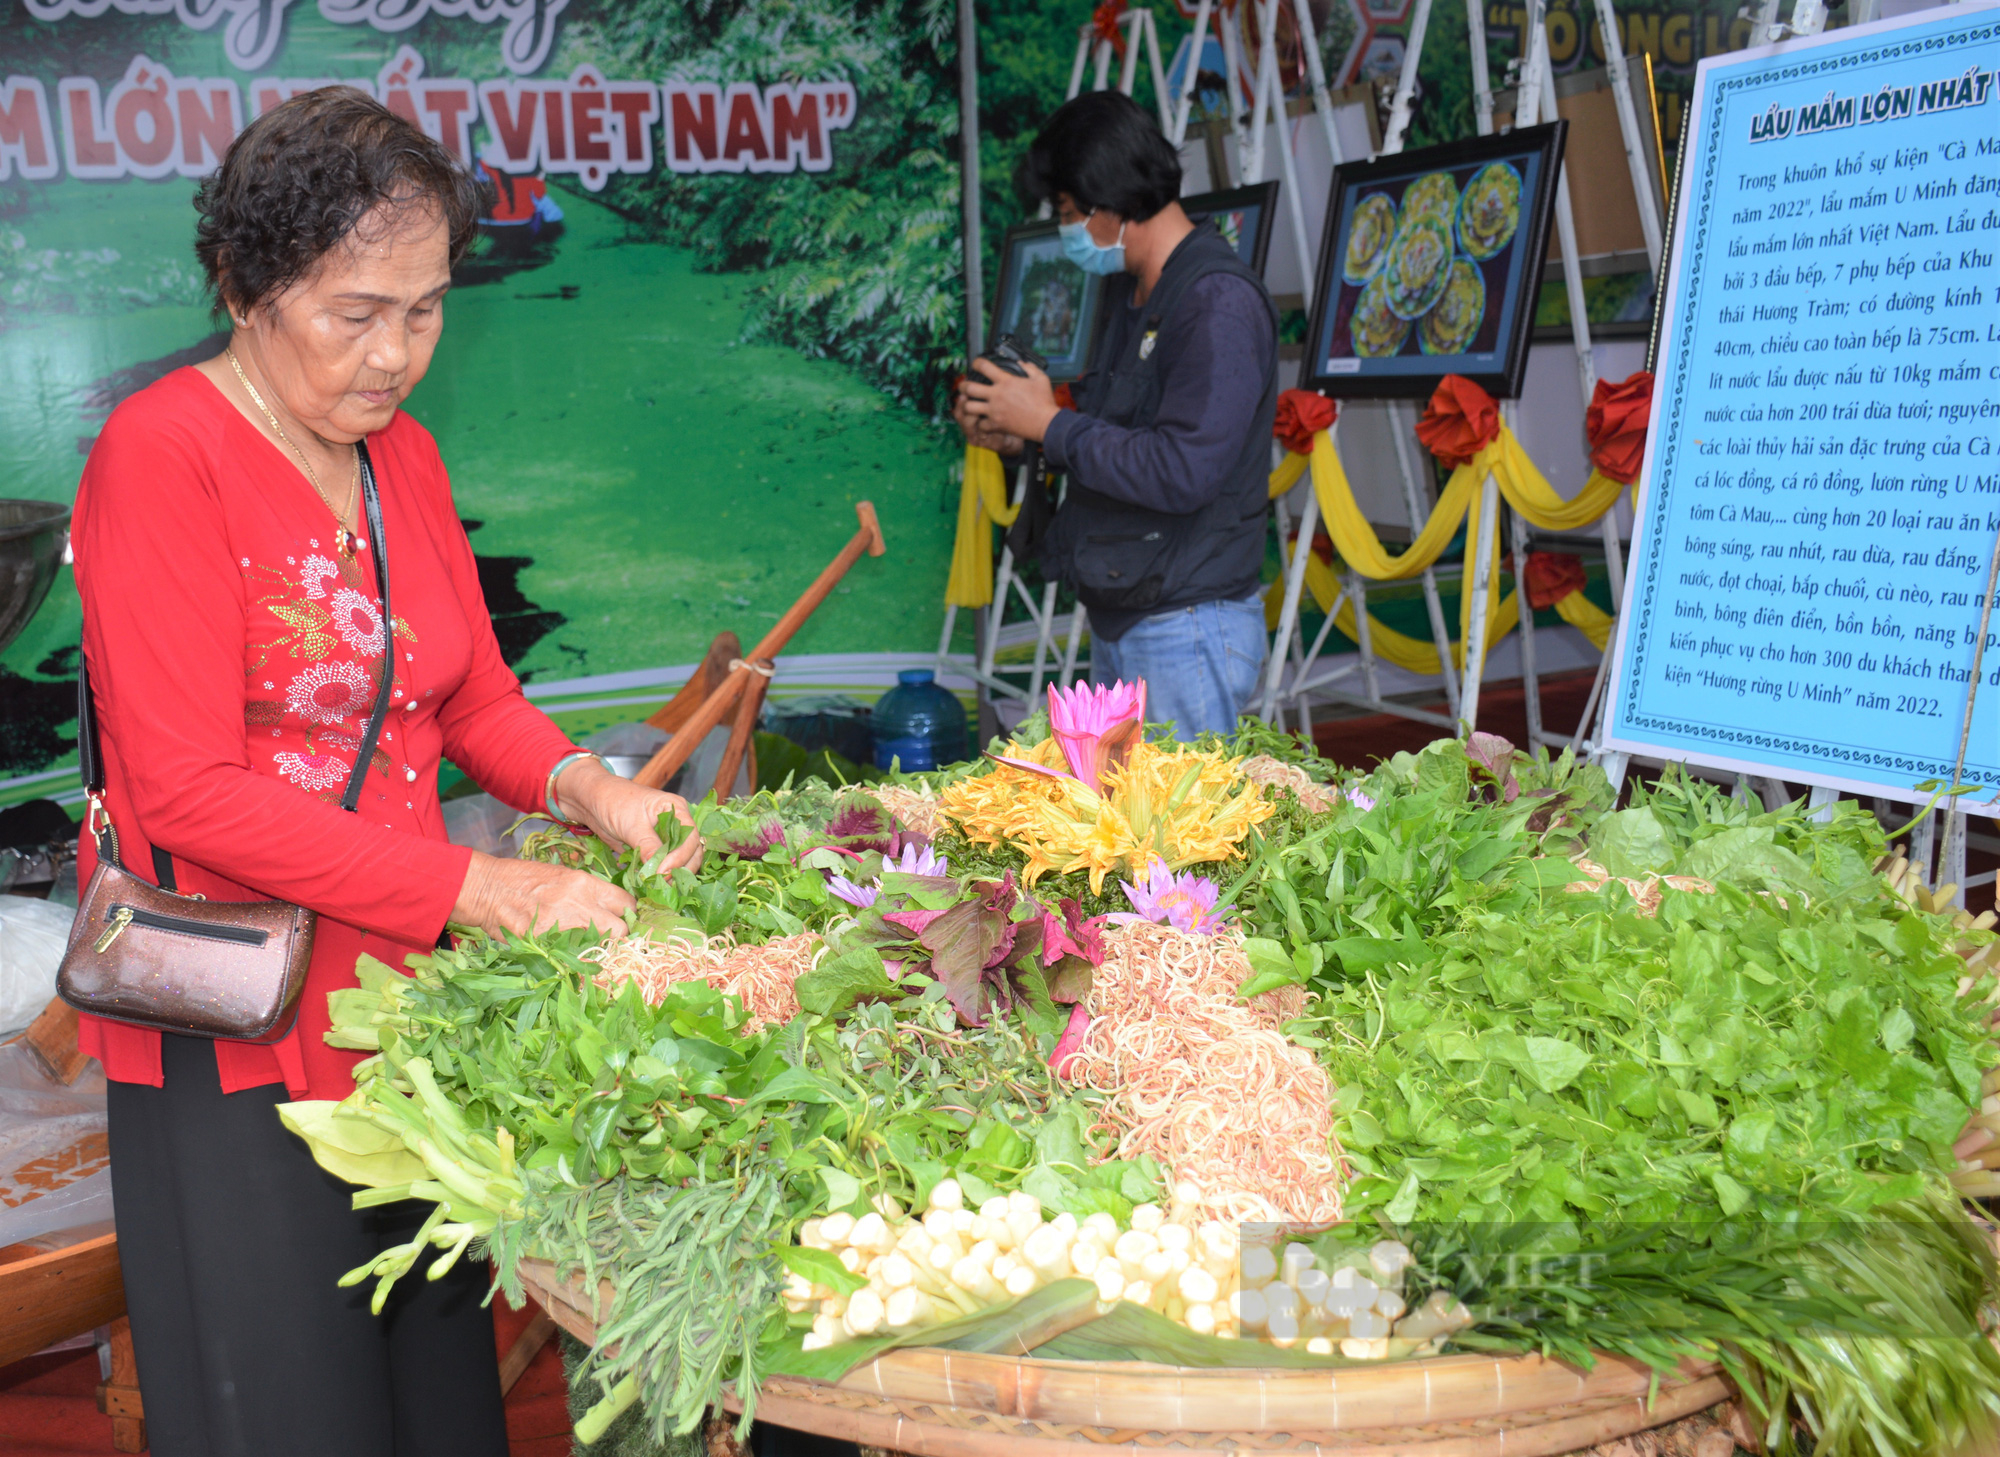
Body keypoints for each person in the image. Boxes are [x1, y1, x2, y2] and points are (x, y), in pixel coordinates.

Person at [69, 89, 700, 1457]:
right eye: (355, 311)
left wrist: (590, 789)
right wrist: (483, 886)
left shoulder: (397, 456)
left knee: (438, 1395)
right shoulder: (160, 456)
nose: (395, 353)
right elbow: (184, 789)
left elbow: (464, 684)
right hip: (236, 1012)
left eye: (424, 310)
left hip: (406, 1007)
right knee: (289, 1405)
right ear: (244, 285)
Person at [955, 91, 1279, 739]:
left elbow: (1182, 468)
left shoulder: (1216, 304)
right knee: (1127, 834)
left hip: (1188, 625)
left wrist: (1047, 422)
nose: (1067, 230)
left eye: (1071, 213)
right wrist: (1019, 434)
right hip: (1132, 612)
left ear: (1114, 202)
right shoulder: (1130, 294)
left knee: (1177, 839)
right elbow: (1115, 441)